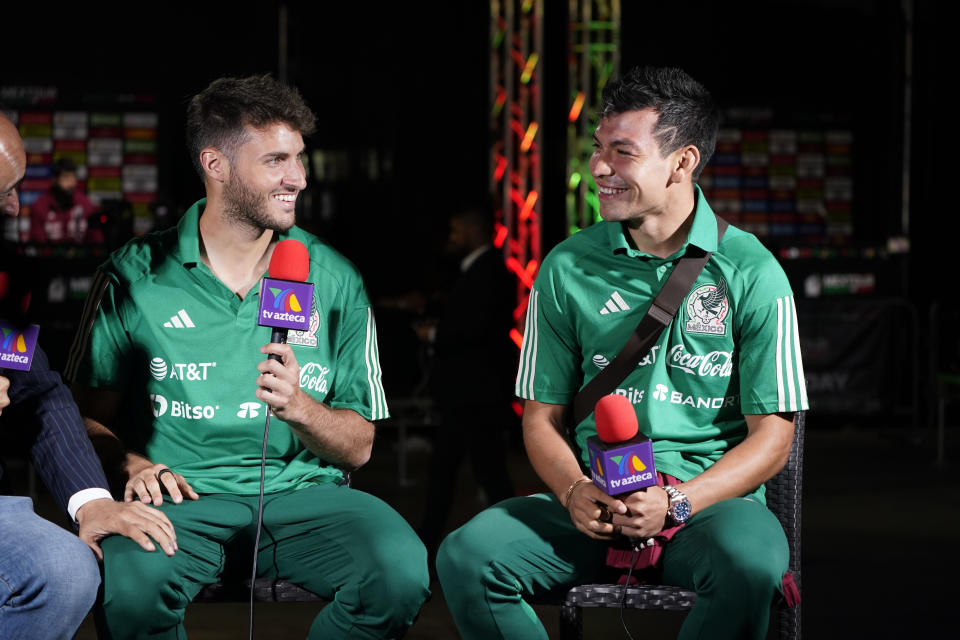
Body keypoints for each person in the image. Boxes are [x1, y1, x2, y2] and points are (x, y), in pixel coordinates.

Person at [437, 66, 808, 640]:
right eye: (598, 148)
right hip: (595, 504)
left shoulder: (751, 270)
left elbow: (773, 439)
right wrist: (572, 491)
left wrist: (677, 502)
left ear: (683, 162)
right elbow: (541, 419)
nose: (600, 168)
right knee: (467, 554)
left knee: (751, 564)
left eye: (622, 152)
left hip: (705, 509)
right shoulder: (565, 266)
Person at [65, 75, 430, 639]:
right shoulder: (133, 274)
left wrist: (303, 408)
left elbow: (358, 447)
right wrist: (130, 464)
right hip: (178, 504)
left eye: (300, 159)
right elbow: (83, 418)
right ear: (216, 164)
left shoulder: (334, 278)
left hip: (305, 499)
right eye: (276, 161)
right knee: (129, 593)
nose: (299, 179)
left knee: (400, 573)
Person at [1, 113, 176, 640]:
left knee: (67, 570)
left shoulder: (7, 279)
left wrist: (93, 500)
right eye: (4, 191)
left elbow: (39, 395)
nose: (13, 207)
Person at [416, 206, 517, 565]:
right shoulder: (473, 271)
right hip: (470, 394)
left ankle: (426, 547)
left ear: (474, 231)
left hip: (476, 394)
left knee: (468, 473)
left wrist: (436, 334)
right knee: (476, 472)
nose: (451, 238)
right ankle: (426, 546)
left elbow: (478, 329)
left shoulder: (489, 271)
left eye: (456, 230)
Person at [28, 156, 102, 245]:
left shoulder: (84, 203)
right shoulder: (40, 205)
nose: (71, 183)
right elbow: (38, 243)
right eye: (66, 177)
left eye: (73, 177)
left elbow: (96, 240)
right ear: (54, 180)